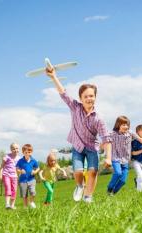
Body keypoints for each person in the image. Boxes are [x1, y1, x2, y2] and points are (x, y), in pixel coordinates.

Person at [46, 67, 112, 203]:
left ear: (95, 97)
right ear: (81, 99)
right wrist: (54, 77)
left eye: (91, 96)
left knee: (92, 171)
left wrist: (108, 158)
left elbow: (106, 139)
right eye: (86, 96)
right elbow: (63, 94)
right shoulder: (75, 108)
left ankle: (88, 196)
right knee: (78, 172)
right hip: (77, 146)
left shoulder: (98, 119)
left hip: (92, 148)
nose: (89, 98)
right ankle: (80, 185)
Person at [107, 116, 142, 195]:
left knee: (123, 181)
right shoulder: (112, 134)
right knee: (118, 173)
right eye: (123, 125)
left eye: (127, 125)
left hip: (126, 160)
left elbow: (140, 139)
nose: (126, 126)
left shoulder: (130, 133)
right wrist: (107, 156)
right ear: (118, 125)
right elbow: (107, 143)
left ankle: (113, 193)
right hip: (115, 158)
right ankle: (110, 188)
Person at [16, 144, 40, 208]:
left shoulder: (33, 160)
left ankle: (31, 201)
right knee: (24, 195)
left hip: (31, 179)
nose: (27, 154)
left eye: (29, 152)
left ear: (31, 152)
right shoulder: (20, 161)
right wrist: (20, 171)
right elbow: (17, 168)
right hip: (23, 181)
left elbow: (38, 168)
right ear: (23, 152)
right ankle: (25, 206)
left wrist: (35, 172)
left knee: (33, 192)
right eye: (25, 152)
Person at [0, 143, 20, 209]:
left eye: (16, 148)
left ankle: (12, 205)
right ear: (11, 149)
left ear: (18, 149)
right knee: (8, 188)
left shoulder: (20, 159)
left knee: (14, 190)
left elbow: (19, 168)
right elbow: (2, 166)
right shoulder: (7, 157)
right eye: (13, 149)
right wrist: (0, 174)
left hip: (15, 176)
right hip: (6, 175)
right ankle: (7, 204)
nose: (15, 150)